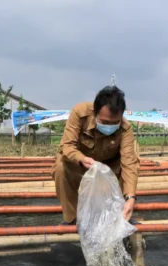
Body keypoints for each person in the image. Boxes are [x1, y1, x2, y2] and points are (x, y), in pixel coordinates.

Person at [52, 86, 140, 225]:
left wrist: (130, 197)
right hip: (82, 164)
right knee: (61, 167)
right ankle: (73, 219)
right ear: (95, 112)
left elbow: (129, 163)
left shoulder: (125, 128)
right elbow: (67, 146)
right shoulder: (79, 113)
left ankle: (118, 216)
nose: (109, 126)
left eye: (114, 123)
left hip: (109, 170)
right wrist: (82, 159)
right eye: (104, 122)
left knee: (130, 170)